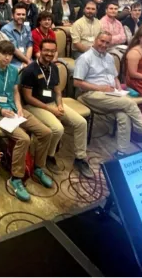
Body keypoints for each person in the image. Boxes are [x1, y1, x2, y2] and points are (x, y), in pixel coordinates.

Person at [0, 40, 53, 202]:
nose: (7, 58)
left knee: (46, 132)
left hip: (14, 110)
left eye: (10, 55)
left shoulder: (13, 71)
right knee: (24, 138)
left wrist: (19, 107)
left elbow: (15, 92)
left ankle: (38, 168)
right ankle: (16, 179)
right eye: (4, 54)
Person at [75, 32, 142, 156]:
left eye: (107, 42)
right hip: (90, 94)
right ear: (95, 40)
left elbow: (115, 78)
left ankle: (121, 152)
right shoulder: (85, 58)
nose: (104, 44)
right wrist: (100, 88)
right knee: (129, 104)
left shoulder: (109, 57)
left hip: (111, 94)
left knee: (124, 116)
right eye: (101, 41)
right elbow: (77, 82)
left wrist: (119, 90)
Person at [21, 39, 92, 178]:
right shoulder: (30, 70)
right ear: (40, 51)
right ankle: (49, 155)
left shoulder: (54, 67)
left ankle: (80, 158)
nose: (49, 53)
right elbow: (28, 98)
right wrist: (51, 110)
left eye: (52, 51)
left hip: (53, 103)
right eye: (46, 50)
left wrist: (59, 104)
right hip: (34, 105)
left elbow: (58, 91)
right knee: (58, 128)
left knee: (81, 123)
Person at [1, 4, 33, 68]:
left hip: (27, 59)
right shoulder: (6, 29)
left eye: (23, 14)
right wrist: (27, 62)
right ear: (12, 15)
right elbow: (14, 49)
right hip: (13, 62)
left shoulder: (27, 28)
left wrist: (27, 61)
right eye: (18, 14)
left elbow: (30, 45)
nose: (21, 16)